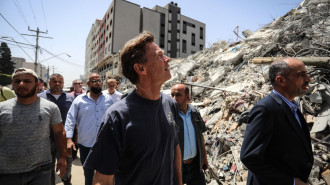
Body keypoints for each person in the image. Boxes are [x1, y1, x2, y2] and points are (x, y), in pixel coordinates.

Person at [84, 31, 182, 185]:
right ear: (141, 69)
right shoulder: (117, 117)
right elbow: (103, 180)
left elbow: (175, 147)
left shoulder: (171, 104)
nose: (167, 59)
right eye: (159, 56)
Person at [240, 58, 313, 185]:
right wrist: (290, 182)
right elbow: (250, 156)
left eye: (306, 74)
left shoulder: (292, 107)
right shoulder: (265, 109)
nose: (308, 79)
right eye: (301, 75)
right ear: (281, 80)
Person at [0, 68, 67, 185]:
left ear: (37, 84)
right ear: (12, 84)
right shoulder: (2, 108)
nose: (21, 84)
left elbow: (59, 132)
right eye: (17, 81)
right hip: (7, 173)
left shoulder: (51, 108)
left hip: (40, 172)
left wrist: (62, 156)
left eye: (27, 81)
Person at [65, 73, 113, 185]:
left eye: (99, 80)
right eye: (94, 81)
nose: (97, 83)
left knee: (105, 175)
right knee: (88, 174)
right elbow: (70, 119)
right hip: (86, 145)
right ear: (88, 83)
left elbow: (113, 119)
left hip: (104, 144)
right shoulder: (79, 100)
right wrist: (69, 139)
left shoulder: (108, 99)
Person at [38, 73, 74, 185]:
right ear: (49, 83)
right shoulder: (40, 97)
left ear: (63, 83)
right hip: (45, 140)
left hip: (64, 139)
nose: (57, 84)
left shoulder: (70, 98)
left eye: (60, 81)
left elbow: (73, 119)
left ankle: (67, 181)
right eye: (54, 81)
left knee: (66, 166)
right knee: (47, 169)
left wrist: (72, 138)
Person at [171, 84, 208, 185]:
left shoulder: (195, 113)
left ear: (187, 97)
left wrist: (204, 159)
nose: (174, 98)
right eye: (172, 95)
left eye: (178, 95)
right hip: (178, 168)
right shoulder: (170, 117)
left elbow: (200, 136)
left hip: (195, 165)